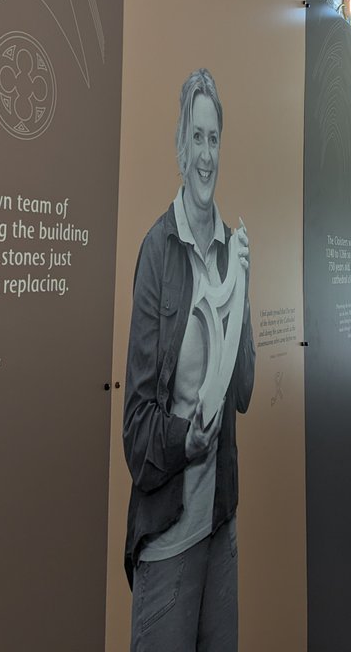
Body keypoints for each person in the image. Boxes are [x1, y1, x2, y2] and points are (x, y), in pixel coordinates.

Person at [122, 68, 255, 652]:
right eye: (196, 138)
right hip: (169, 537)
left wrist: (243, 287)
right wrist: (185, 440)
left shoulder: (231, 245)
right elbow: (136, 433)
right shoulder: (158, 252)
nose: (206, 155)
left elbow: (244, 391)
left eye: (214, 139)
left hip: (218, 526)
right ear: (180, 148)